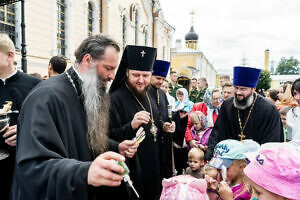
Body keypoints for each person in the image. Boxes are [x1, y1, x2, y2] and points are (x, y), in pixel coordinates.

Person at [11, 35, 136, 200]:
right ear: (87, 60)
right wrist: (85, 172)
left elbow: (84, 139)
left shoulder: (86, 92)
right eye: (108, 68)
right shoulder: (46, 97)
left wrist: (115, 147)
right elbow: (34, 167)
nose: (112, 76)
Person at [109, 45, 170, 200]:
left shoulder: (150, 94)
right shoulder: (115, 98)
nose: (141, 80)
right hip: (133, 169)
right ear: (127, 73)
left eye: (145, 75)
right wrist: (131, 125)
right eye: (136, 75)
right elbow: (109, 137)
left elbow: (154, 128)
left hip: (153, 165)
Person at [205, 66, 284, 160]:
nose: (238, 92)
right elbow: (218, 132)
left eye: (243, 89)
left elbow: (273, 141)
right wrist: (210, 155)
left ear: (253, 89)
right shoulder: (227, 105)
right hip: (230, 161)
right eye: (236, 88)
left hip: (256, 163)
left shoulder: (268, 109)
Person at [0, 33, 41, 200]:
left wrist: (24, 131)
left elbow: (47, 124)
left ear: (10, 56)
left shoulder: (35, 86)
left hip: (25, 166)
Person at [148, 59, 176, 178]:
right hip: (151, 142)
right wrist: (161, 125)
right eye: (158, 78)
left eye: (163, 79)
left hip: (164, 141)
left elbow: (164, 115)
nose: (161, 82)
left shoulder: (162, 93)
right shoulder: (144, 92)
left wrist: (171, 124)